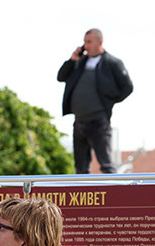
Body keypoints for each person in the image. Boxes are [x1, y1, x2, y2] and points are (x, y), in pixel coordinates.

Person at [57, 28, 133, 174]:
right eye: (84, 42)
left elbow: (127, 87)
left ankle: (113, 188)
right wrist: (72, 60)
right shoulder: (80, 62)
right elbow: (61, 77)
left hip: (98, 121)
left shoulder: (112, 63)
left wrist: (108, 102)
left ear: (100, 42)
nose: (86, 46)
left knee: (106, 165)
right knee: (80, 167)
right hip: (79, 121)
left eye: (89, 42)